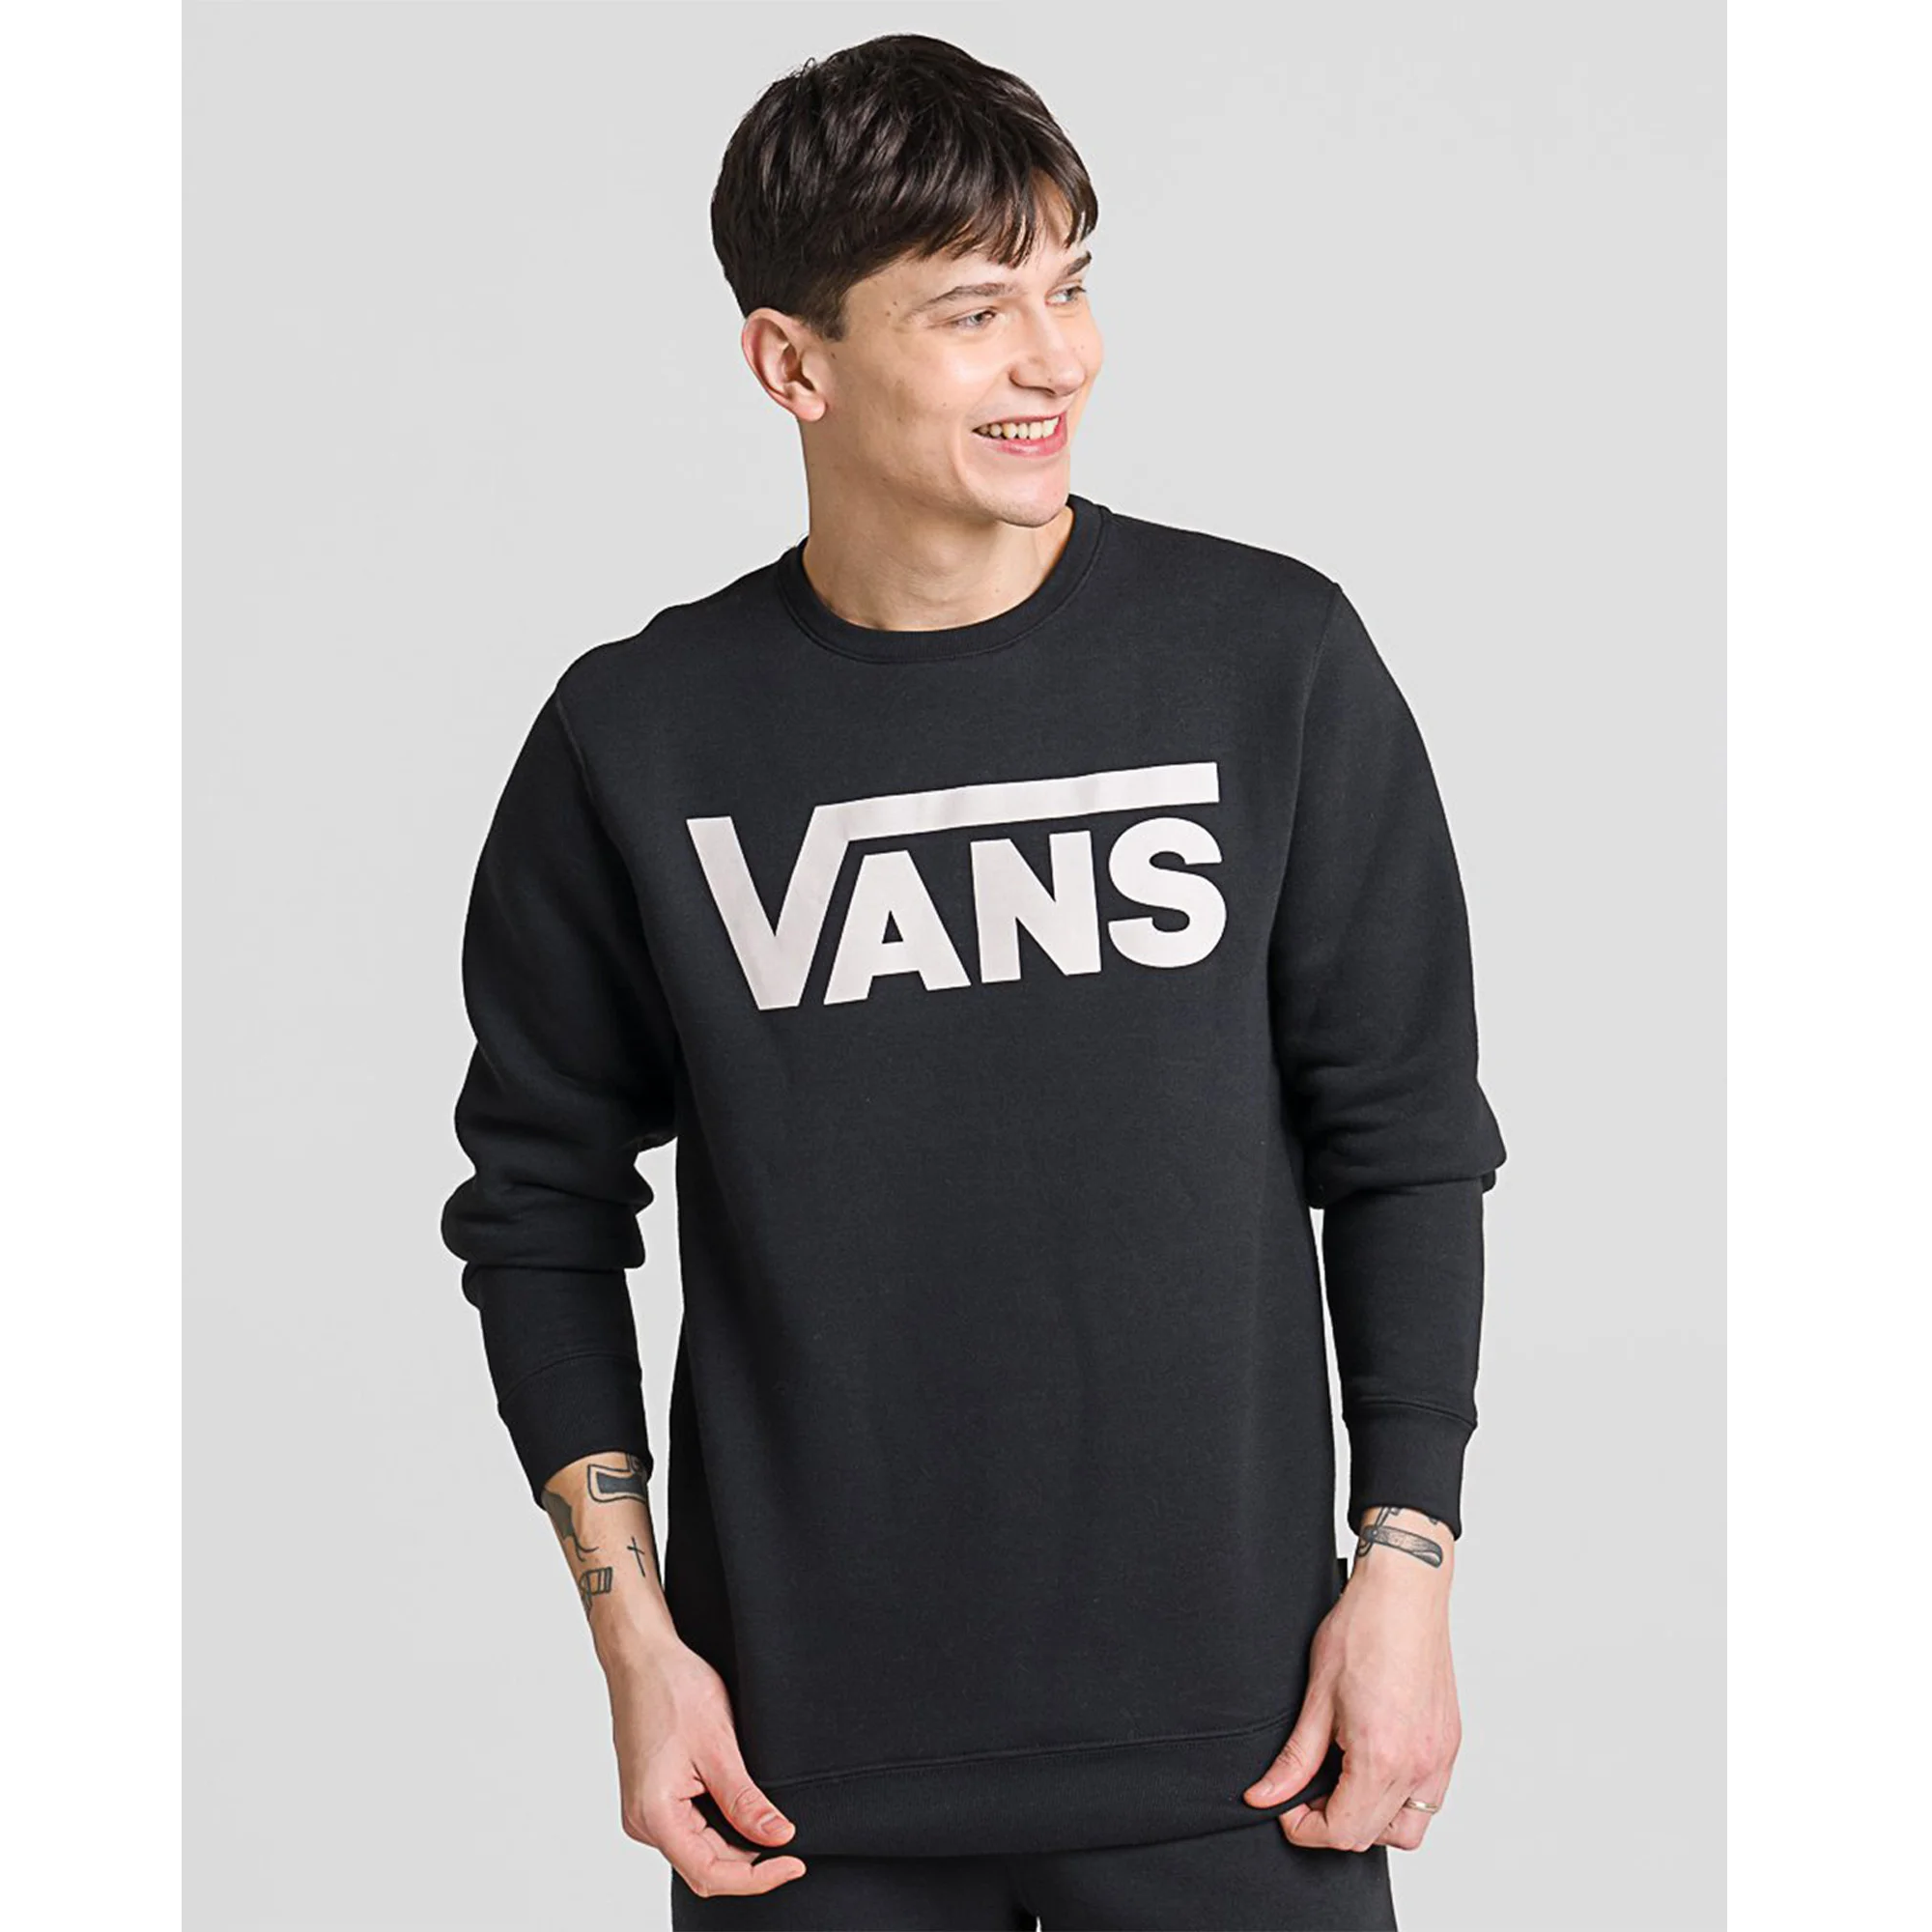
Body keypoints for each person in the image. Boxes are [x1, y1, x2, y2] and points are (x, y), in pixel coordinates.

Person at [439, 32, 1505, 1931]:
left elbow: (1407, 1137)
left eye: (1070, 285)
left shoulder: (1270, 662)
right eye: (973, 311)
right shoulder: (642, 738)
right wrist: (636, 1645)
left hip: (1245, 1757)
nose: (1057, 360)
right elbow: (537, 1206)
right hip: (798, 1791)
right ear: (793, 364)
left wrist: (1404, 1568)